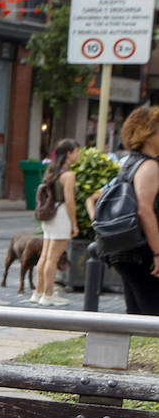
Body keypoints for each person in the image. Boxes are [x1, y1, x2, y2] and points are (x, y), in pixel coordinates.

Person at [90, 107, 159, 314]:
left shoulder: (129, 162)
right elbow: (144, 210)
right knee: (152, 317)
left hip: (124, 250)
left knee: (137, 315)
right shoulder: (148, 166)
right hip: (142, 251)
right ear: (147, 132)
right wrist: (158, 253)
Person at [33, 139, 80, 307]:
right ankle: (48, 295)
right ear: (69, 153)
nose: (78, 155)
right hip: (61, 215)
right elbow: (70, 201)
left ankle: (38, 293)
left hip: (50, 215)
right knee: (53, 258)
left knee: (45, 256)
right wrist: (74, 223)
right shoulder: (68, 175)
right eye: (77, 151)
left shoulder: (52, 171)